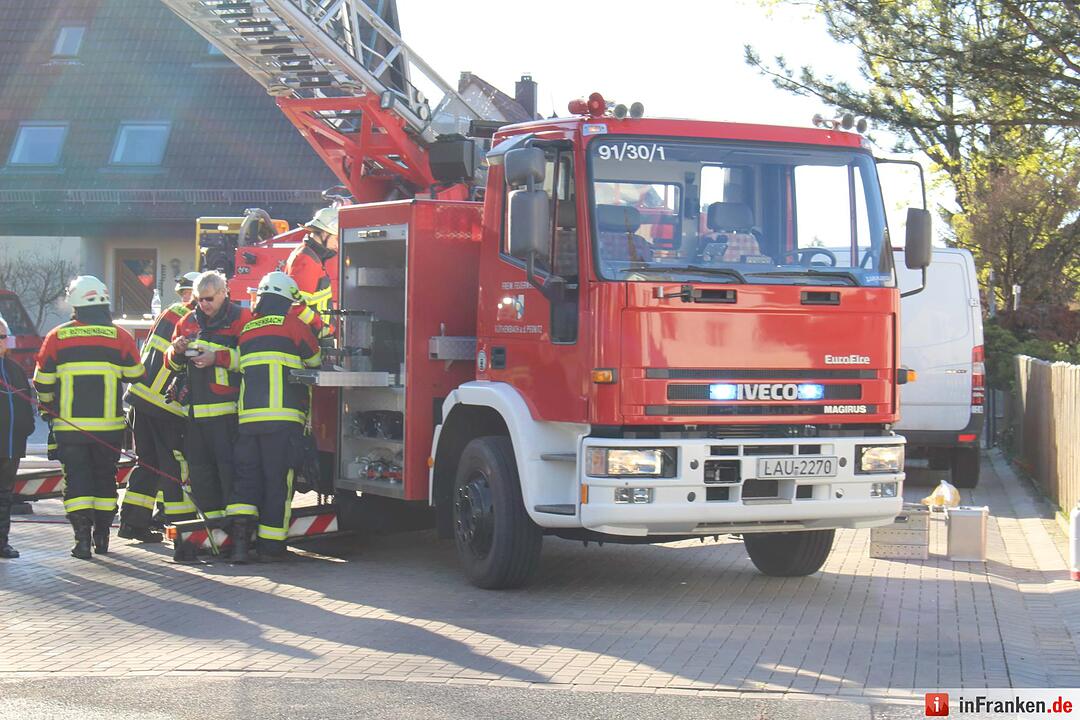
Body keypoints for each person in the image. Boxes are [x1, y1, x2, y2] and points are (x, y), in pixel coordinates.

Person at [33, 276, 144, 559]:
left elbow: (42, 382)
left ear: (74, 303)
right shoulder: (120, 336)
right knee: (104, 480)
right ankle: (103, 536)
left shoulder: (57, 337)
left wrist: (47, 407)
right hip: (108, 428)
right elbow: (135, 375)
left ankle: (82, 540)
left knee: (77, 480)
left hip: (69, 428)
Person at [227, 272, 320, 563]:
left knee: (246, 480)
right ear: (287, 301)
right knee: (277, 480)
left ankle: (241, 546)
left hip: (248, 420)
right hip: (282, 420)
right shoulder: (294, 326)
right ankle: (271, 545)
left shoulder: (247, 329)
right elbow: (315, 361)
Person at [165, 271, 250, 545]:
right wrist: (176, 351)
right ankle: (216, 531)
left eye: (209, 299)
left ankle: (236, 533)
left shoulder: (241, 320)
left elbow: (251, 358)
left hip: (228, 414)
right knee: (200, 476)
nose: (203, 305)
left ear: (224, 293)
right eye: (200, 300)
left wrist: (218, 357)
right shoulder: (187, 321)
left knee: (229, 473)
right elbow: (172, 365)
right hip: (195, 415)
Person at [118, 272, 201, 541]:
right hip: (166, 405)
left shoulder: (168, 312)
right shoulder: (193, 320)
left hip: (141, 399)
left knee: (148, 463)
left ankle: (133, 523)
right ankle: (181, 528)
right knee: (175, 465)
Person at [0, 315, 35, 559]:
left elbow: (25, 405)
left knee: (4, 497)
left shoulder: (14, 369)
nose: (2, 341)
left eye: (4, 336)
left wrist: (27, 427)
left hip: (11, 447)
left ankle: (2, 542)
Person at [286, 206, 337, 338]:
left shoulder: (310, 255)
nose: (338, 245)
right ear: (325, 233)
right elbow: (296, 306)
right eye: (336, 239)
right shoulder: (307, 260)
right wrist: (321, 327)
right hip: (312, 336)